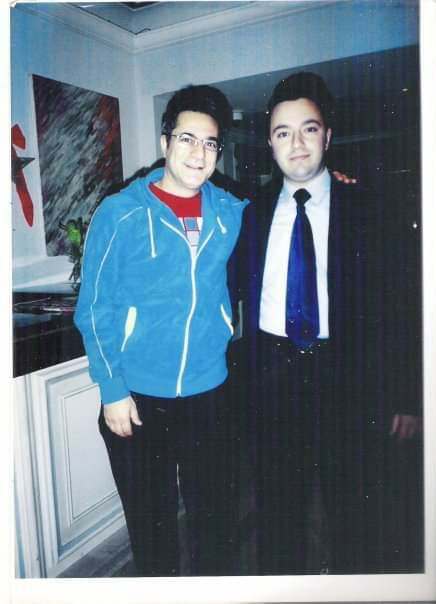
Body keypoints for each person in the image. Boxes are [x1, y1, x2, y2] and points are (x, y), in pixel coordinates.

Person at [232, 72, 422, 574]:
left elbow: (402, 306)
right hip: (272, 378)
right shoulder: (249, 214)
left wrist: (407, 397)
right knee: (278, 510)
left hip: (349, 376)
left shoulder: (371, 207)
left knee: (355, 507)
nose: (296, 143)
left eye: (309, 129)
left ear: (328, 136)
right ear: (269, 143)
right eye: (283, 132)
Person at [74, 84, 249, 576]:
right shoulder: (120, 212)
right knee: (152, 534)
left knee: (216, 527)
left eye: (210, 143)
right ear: (165, 142)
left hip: (209, 395)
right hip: (136, 400)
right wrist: (112, 390)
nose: (199, 153)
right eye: (187, 139)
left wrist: (330, 179)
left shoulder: (230, 211)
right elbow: (95, 309)